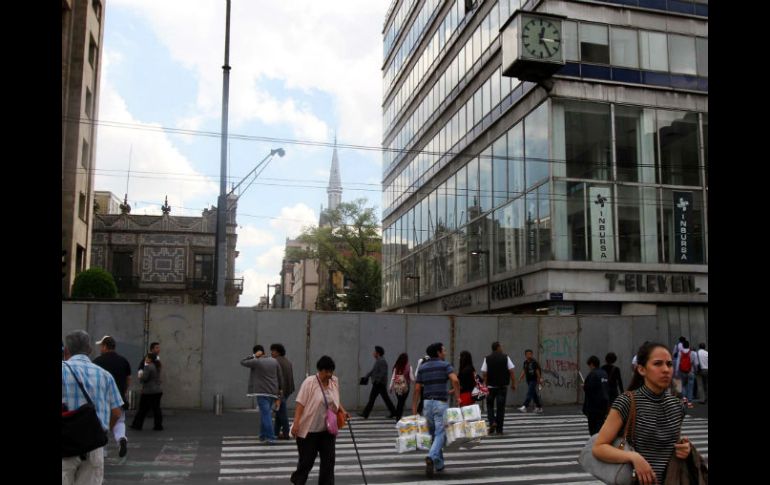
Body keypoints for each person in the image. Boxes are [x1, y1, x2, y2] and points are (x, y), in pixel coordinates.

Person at [592, 342, 692, 484]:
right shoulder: (627, 402)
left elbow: (671, 445)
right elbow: (599, 447)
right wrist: (633, 457)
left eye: (669, 364)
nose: (665, 369)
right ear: (641, 369)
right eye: (657, 364)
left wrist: (684, 449)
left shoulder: (677, 405)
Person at [62, 330, 124, 485]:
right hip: (94, 444)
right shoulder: (105, 375)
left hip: (64, 443)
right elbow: (117, 413)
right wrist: (102, 431)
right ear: (89, 350)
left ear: (66, 350)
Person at [290, 355, 349, 485]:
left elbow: (335, 400)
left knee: (329, 462)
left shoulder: (334, 381)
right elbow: (300, 403)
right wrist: (296, 423)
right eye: (326, 371)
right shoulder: (310, 382)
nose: (329, 374)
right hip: (309, 431)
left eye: (331, 371)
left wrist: (343, 411)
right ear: (319, 370)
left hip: (327, 430)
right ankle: (298, 481)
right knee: (306, 462)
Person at [412, 342, 461, 478]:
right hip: (440, 403)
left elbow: (417, 389)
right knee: (441, 433)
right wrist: (458, 397)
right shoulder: (445, 365)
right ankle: (431, 456)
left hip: (427, 403)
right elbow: (455, 381)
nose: (445, 353)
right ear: (438, 353)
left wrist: (414, 407)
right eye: (443, 350)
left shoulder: (423, 367)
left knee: (433, 434)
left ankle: (439, 464)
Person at [92, 335, 132, 457]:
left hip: (102, 398)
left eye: (101, 346)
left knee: (101, 424)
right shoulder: (123, 360)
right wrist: (124, 391)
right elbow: (128, 378)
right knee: (119, 421)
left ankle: (102, 451)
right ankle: (121, 438)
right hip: (119, 397)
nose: (100, 348)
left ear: (105, 346)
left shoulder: (97, 361)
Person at [240, 345, 283, 444]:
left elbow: (242, 362)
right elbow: (280, 376)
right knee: (266, 414)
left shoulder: (256, 361)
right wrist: (280, 389)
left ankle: (271, 437)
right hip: (273, 392)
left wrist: (253, 356)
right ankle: (263, 435)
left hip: (262, 392)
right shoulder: (274, 361)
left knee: (266, 415)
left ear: (257, 352)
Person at [481, 342, 516, 433]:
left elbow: (484, 373)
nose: (502, 348)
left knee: (489, 406)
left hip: (490, 387)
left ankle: (492, 421)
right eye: (501, 346)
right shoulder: (506, 357)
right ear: (498, 348)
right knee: (501, 408)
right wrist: (513, 383)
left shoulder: (487, 358)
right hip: (502, 387)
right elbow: (511, 371)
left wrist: (485, 384)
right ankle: (499, 429)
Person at [360, 345, 397, 419]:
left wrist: (378, 380)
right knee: (382, 398)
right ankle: (393, 412)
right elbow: (373, 371)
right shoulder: (378, 361)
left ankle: (365, 414)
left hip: (379, 384)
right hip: (378, 383)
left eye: (374, 352)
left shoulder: (382, 361)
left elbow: (383, 372)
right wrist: (366, 376)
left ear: (378, 353)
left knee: (373, 399)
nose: (373, 353)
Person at [130, 353, 164, 431]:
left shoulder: (148, 367)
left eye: (147, 358)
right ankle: (158, 425)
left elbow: (144, 378)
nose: (145, 359)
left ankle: (137, 424)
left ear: (150, 359)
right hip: (157, 390)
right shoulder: (157, 366)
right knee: (156, 408)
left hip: (148, 391)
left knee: (142, 409)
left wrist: (140, 376)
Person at [271, 343, 295, 440]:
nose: (271, 353)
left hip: (280, 391)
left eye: (273, 351)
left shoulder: (275, 361)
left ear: (278, 352)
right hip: (287, 390)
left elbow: (275, 377)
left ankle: (286, 433)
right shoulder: (287, 361)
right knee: (279, 412)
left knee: (282, 413)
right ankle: (276, 432)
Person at [583, 355, 610, 435]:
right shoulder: (604, 373)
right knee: (600, 425)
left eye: (589, 365)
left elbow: (588, 389)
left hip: (594, 406)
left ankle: (595, 440)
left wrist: (584, 386)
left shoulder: (593, 374)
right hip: (604, 404)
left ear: (592, 364)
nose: (589, 368)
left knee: (593, 428)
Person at [388, 352, 414, 420]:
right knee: (402, 402)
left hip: (398, 386)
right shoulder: (409, 366)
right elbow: (411, 377)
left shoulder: (396, 367)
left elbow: (393, 377)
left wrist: (390, 387)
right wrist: (415, 382)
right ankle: (398, 416)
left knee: (399, 401)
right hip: (405, 387)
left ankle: (398, 416)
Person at [517, 349, 543, 414]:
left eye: (530, 354)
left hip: (534, 380)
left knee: (529, 393)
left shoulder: (534, 362)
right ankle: (539, 407)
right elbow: (524, 371)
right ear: (525, 355)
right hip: (528, 380)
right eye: (528, 354)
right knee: (534, 394)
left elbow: (537, 371)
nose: (529, 355)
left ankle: (525, 406)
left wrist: (539, 379)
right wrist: (520, 378)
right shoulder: (525, 362)